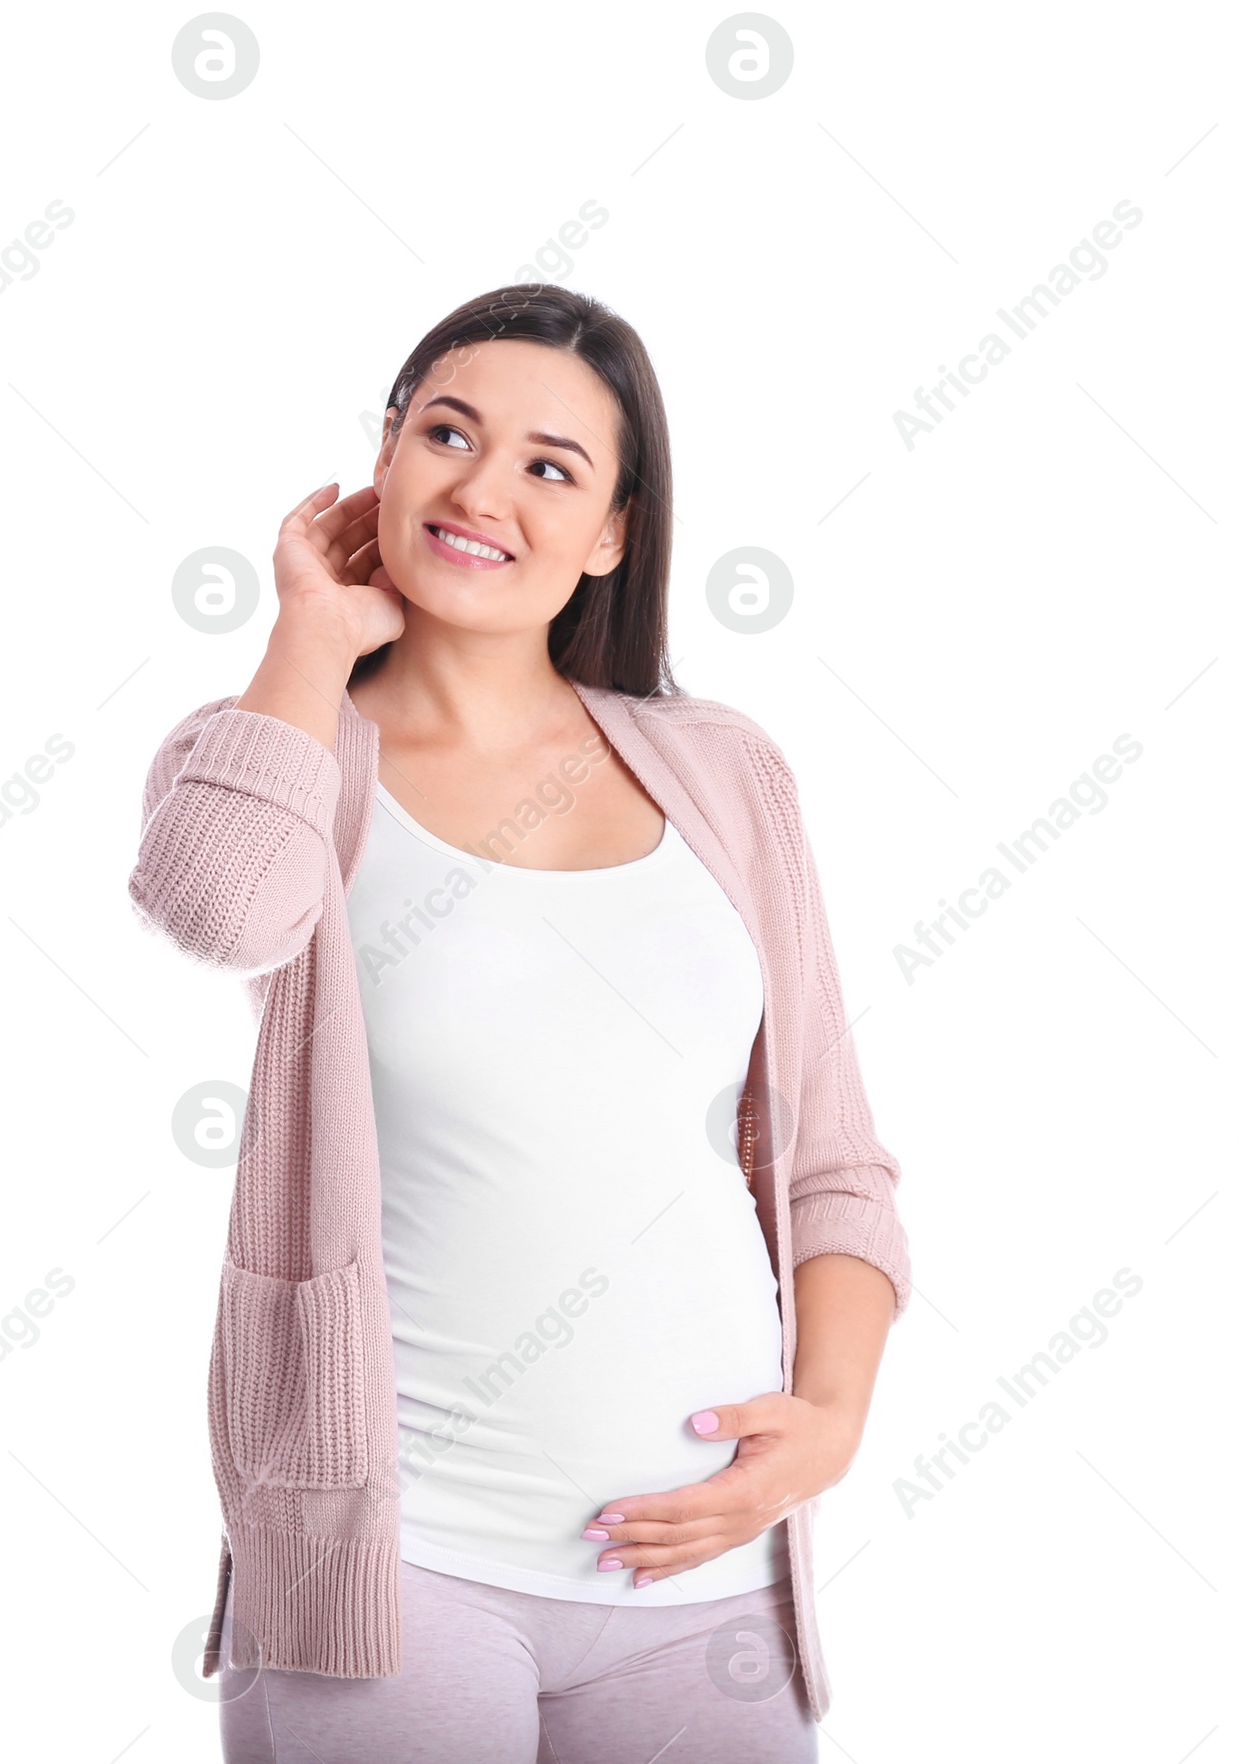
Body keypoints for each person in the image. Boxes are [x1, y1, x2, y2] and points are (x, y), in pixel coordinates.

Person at [128, 283, 912, 1763]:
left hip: (709, 1580)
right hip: (399, 1585)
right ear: (384, 456)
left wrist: (830, 1417)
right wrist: (309, 637)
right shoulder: (293, 751)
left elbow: (836, 1167)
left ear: (615, 530)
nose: (483, 490)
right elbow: (217, 912)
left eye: (551, 466)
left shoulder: (725, 775)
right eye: (447, 434)